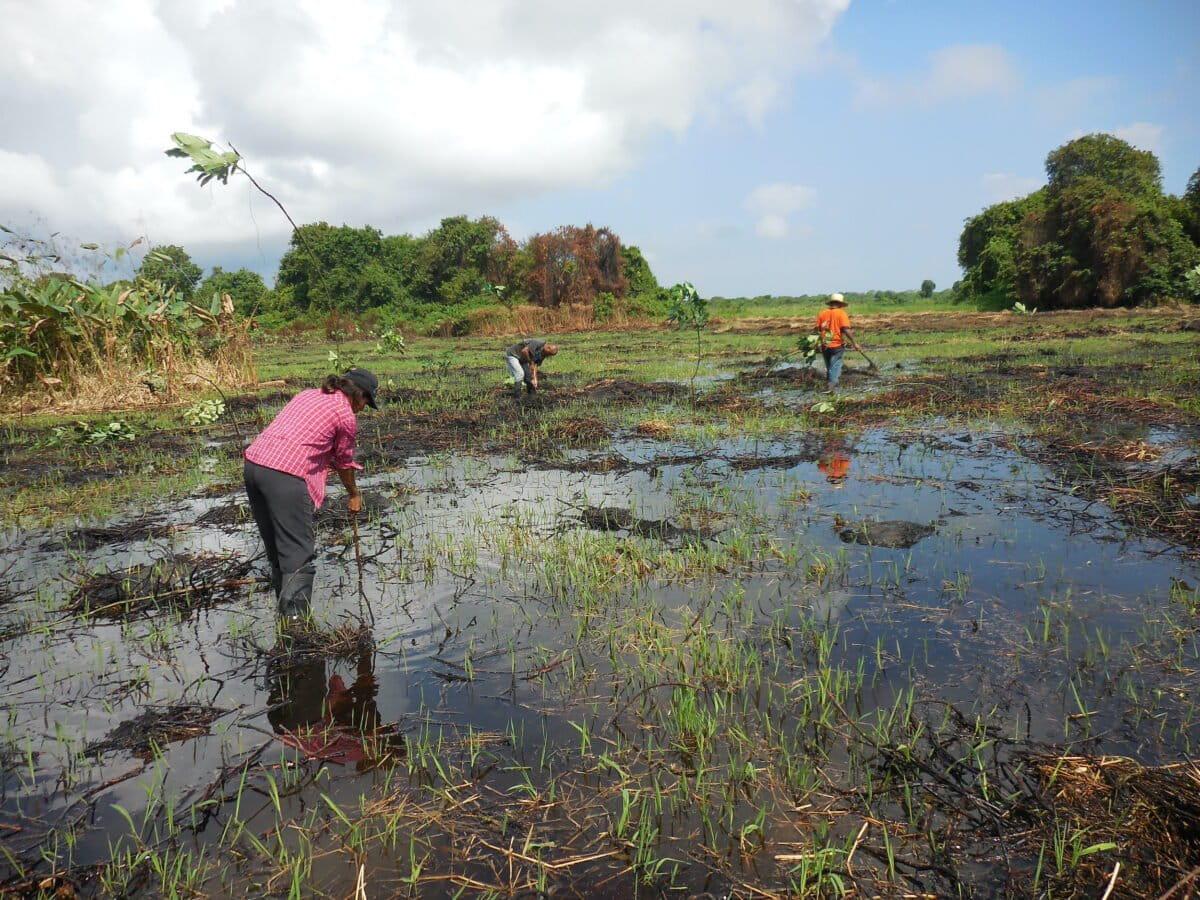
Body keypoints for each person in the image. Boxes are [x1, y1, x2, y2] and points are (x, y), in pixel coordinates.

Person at [243, 369, 378, 621]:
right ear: (358, 395)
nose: (362, 409)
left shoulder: (307, 395)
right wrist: (354, 494)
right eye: (366, 403)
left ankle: (284, 621)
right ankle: (297, 627)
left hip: (254, 466)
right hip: (285, 474)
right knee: (296, 552)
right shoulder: (344, 415)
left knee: (277, 549)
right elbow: (344, 462)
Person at [815, 293, 859, 390]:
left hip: (825, 345)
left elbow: (817, 330)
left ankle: (829, 389)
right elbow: (846, 330)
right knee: (835, 367)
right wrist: (854, 343)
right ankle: (831, 387)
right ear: (840, 304)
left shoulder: (822, 313)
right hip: (836, 345)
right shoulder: (841, 313)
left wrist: (817, 344)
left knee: (829, 367)